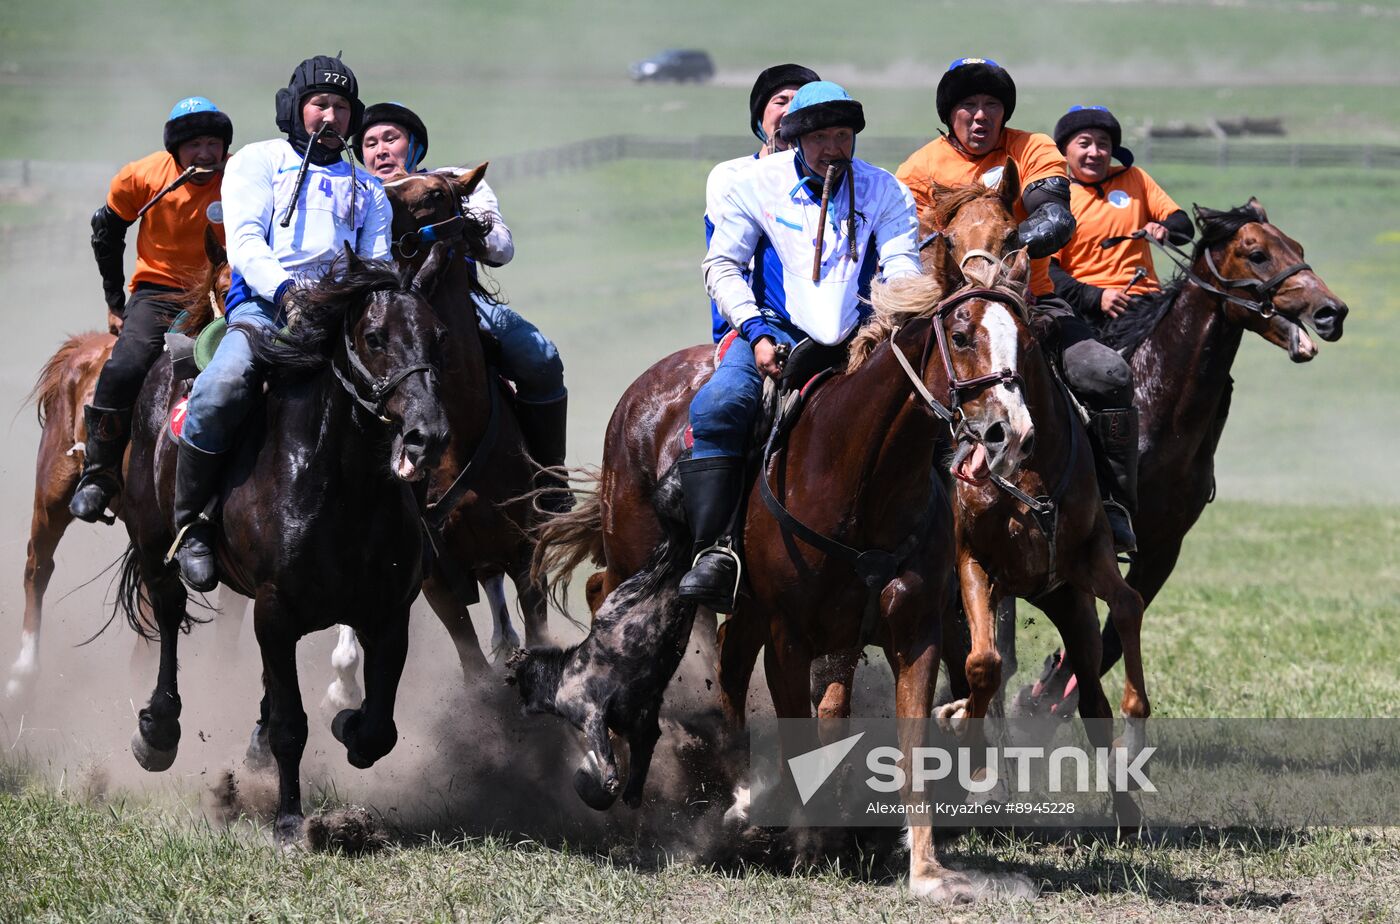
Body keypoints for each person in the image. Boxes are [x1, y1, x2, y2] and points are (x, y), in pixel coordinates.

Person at [683, 81, 921, 612]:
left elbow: (904, 267)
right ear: (794, 139)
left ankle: (940, 548)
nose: (833, 147)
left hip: (865, 336)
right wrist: (754, 331)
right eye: (819, 136)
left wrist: (890, 321)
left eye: (843, 134)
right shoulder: (754, 184)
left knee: (932, 410)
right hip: (774, 332)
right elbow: (722, 265)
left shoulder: (885, 189)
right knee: (720, 406)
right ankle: (715, 550)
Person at [897, 59, 1139, 552]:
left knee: (1106, 375)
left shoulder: (1031, 148)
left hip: (1035, 302)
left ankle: (1113, 505)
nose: (981, 115)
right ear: (950, 113)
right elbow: (909, 244)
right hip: (950, 314)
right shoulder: (920, 169)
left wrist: (997, 244)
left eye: (992, 105)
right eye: (969, 105)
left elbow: (1053, 216)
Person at [171, 55, 392, 590]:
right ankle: (192, 523)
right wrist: (290, 292)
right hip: (264, 308)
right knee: (222, 387)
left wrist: (340, 302)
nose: (331, 117)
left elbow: (377, 262)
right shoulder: (257, 160)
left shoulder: (369, 190)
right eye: (320, 104)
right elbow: (244, 242)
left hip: (341, 317)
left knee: (413, 385)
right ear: (295, 108)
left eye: (342, 108)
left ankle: (420, 521)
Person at [353, 102, 571, 512]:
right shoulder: (355, 195)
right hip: (383, 318)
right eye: (369, 143)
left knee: (537, 356)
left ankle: (549, 477)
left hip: (461, 306)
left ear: (414, 146)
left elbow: (502, 250)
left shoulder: (453, 182)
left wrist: (457, 223)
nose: (380, 150)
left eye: (390, 139)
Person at [68, 97, 232, 524]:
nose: (206, 154)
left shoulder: (239, 176)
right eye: (195, 144)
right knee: (123, 367)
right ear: (176, 149)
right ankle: (100, 472)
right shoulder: (141, 176)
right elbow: (106, 233)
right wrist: (114, 302)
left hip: (224, 290)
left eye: (214, 143)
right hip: (159, 291)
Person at [703, 63, 819, 342]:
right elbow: (729, 264)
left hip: (821, 323)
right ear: (760, 116)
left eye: (799, 102)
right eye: (780, 101)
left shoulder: (832, 181)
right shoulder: (730, 176)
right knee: (726, 389)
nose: (790, 111)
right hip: (750, 325)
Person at [1049, 105, 1193, 320]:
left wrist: (1165, 228)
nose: (1095, 152)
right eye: (1084, 144)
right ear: (1064, 151)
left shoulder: (1136, 178)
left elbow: (1184, 225)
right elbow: (1048, 271)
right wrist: (1096, 297)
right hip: (1086, 308)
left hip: (1146, 300)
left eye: (1103, 144)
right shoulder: (1056, 197)